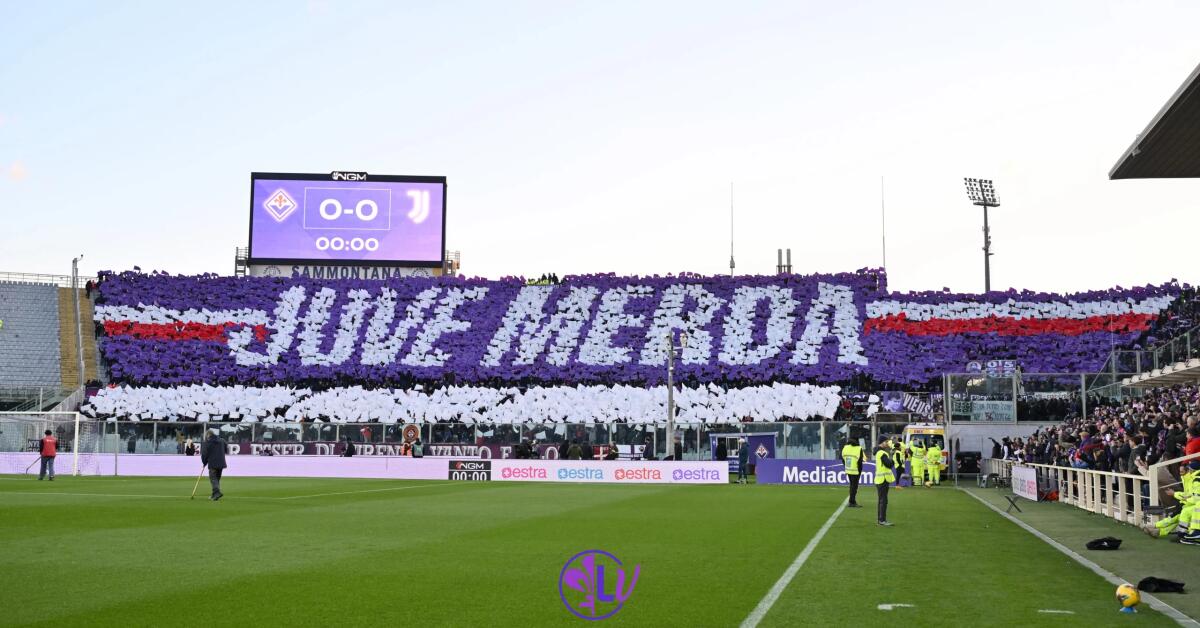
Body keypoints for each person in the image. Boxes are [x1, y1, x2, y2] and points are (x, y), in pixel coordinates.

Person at [200, 430, 227, 501]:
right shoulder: (222, 440)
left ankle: (217, 493)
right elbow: (226, 448)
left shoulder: (207, 442)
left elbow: (204, 454)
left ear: (208, 435)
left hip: (213, 463)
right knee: (217, 479)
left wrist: (204, 462)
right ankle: (214, 495)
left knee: (213, 478)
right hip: (221, 462)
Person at [874, 438, 895, 526]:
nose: (887, 443)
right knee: (883, 501)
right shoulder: (882, 453)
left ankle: (880, 520)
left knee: (881, 500)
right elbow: (889, 464)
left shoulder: (879, 452)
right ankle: (882, 520)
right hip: (883, 479)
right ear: (881, 443)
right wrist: (892, 457)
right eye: (886, 441)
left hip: (880, 479)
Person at [840, 437, 865, 507]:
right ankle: (852, 502)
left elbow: (842, 458)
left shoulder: (845, 447)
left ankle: (851, 500)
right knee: (854, 486)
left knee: (852, 485)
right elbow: (860, 462)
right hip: (855, 470)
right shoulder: (858, 448)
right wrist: (860, 470)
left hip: (848, 469)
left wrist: (846, 466)